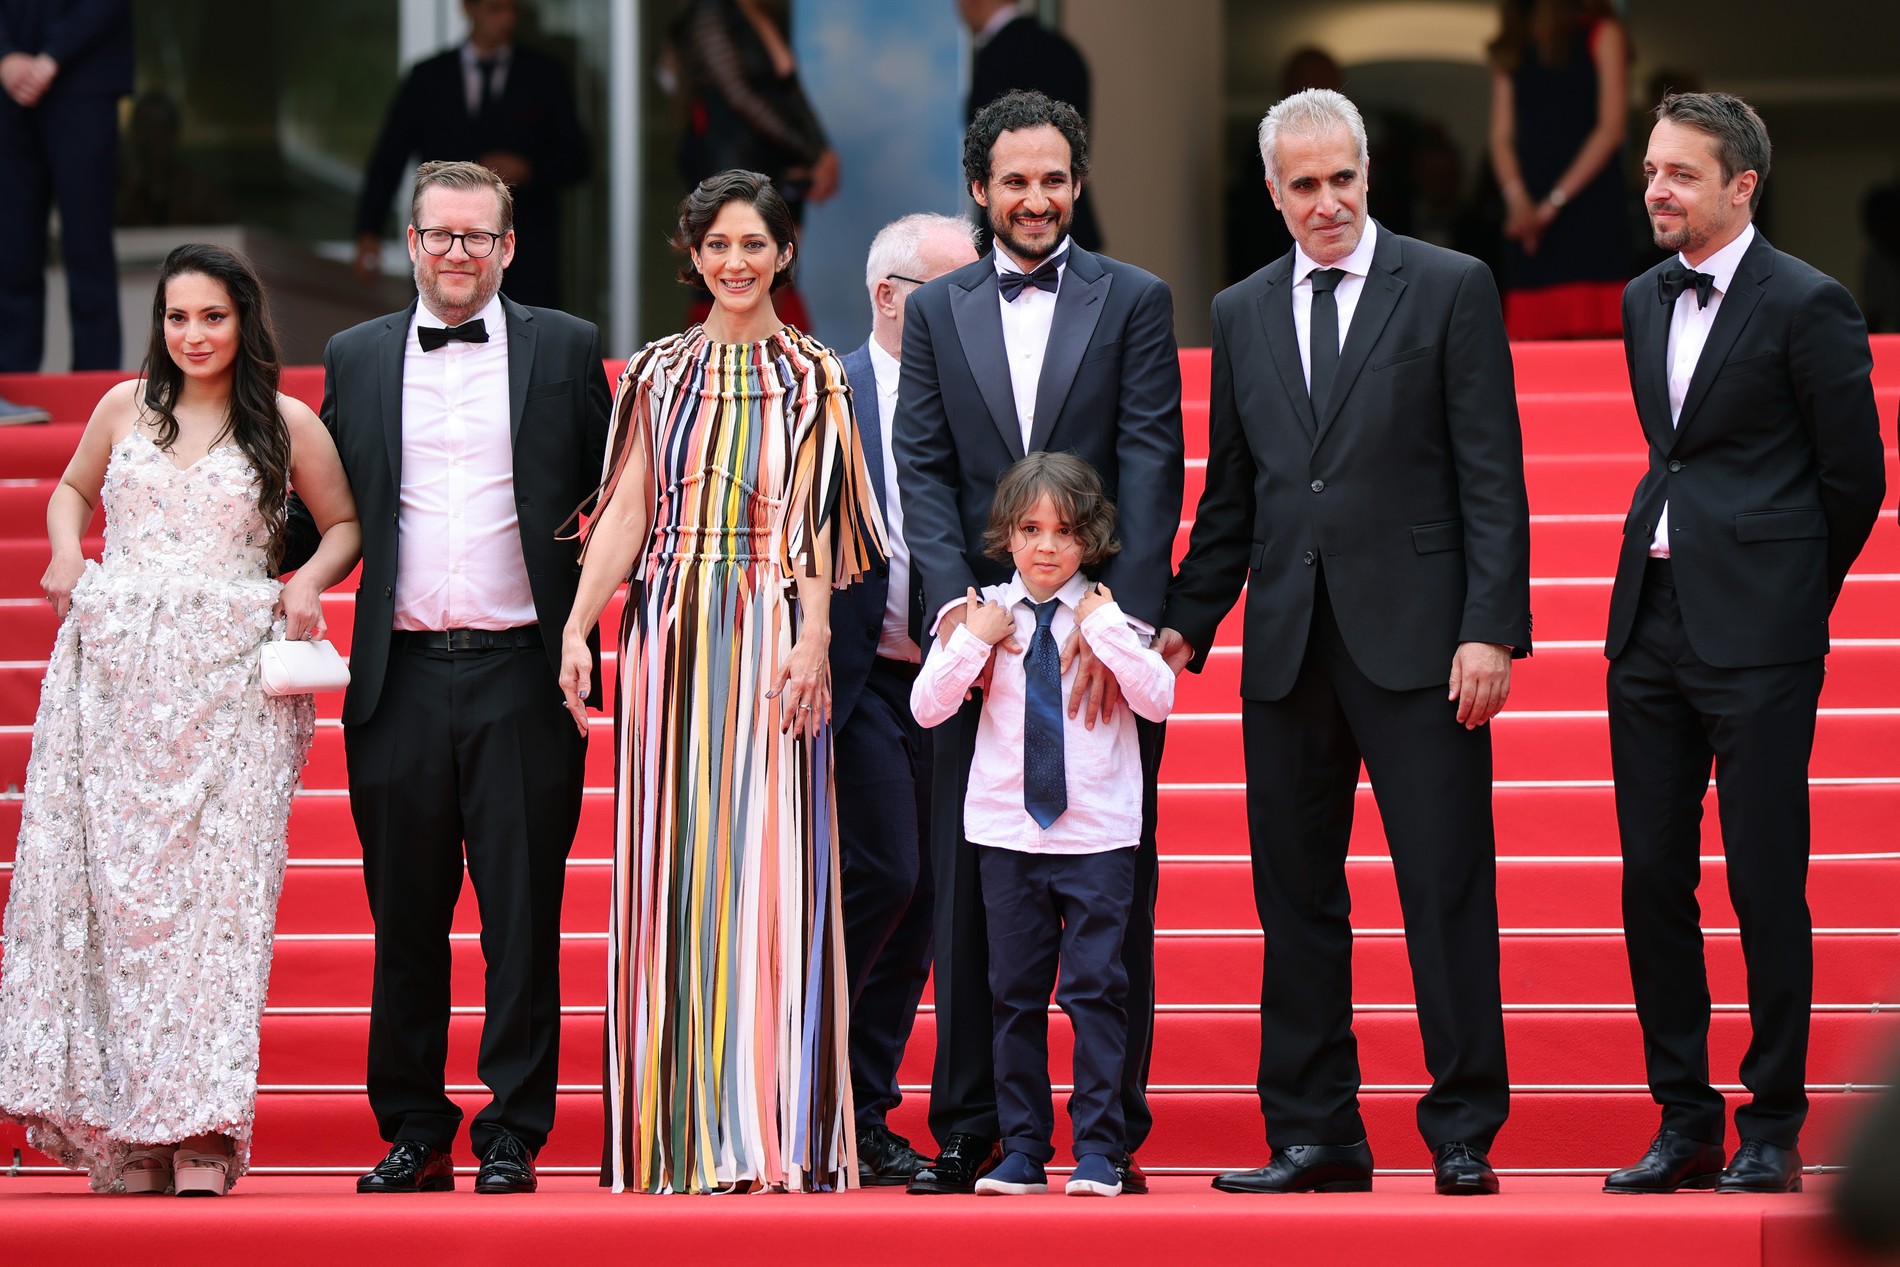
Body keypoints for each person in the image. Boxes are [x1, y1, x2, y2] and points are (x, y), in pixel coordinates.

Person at [1158, 87, 1531, 1197]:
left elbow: (1492, 473)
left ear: (1368, 175)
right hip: (1286, 647)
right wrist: (1182, 622)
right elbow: (1233, 494)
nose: (1327, 203)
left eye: (1342, 179)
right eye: (1304, 185)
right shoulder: (1239, 311)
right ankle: (1315, 1131)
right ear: (1273, 193)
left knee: (1444, 887)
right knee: (1295, 899)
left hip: (1422, 643)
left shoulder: (1450, 284)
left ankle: (1462, 1128)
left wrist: (1489, 627)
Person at [0, 242, 361, 1195]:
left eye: (212, 316)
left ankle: (203, 1124)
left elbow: (344, 524)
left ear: (244, 321)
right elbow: (72, 490)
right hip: (113, 678)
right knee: (119, 910)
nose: (193, 334)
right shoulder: (123, 407)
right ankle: (135, 1129)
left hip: (232, 687)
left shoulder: (286, 422)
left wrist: (307, 583)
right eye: (176, 317)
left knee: (218, 910)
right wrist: (67, 552)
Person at [557, 168, 884, 1195]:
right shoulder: (656, 371)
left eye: (752, 244)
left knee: (772, 867)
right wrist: (579, 624)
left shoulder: (815, 374)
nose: (735, 263)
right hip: (670, 626)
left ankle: (772, 1130)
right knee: (674, 868)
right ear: (692, 256)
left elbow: (820, 522)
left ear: (784, 253)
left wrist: (815, 636)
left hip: (772, 626)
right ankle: (676, 1133)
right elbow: (626, 510)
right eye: (716, 245)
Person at [893, 88, 1183, 1196]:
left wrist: (1120, 624)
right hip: (982, 636)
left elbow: (1151, 460)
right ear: (981, 188)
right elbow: (922, 465)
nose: (1035, 197)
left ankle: (1112, 1135)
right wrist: (956, 615)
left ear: (1078, 183)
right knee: (972, 895)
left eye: (1054, 178)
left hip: (1098, 633)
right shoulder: (936, 310)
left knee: (1116, 902)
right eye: (1014, 180)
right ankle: (975, 1126)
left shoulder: (1136, 298)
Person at [302, 159, 612, 1197]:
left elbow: (618, 496)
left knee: (521, 917)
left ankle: (514, 1128)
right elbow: (325, 509)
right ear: (411, 241)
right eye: (439, 234)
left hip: (523, 671)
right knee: (405, 918)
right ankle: (414, 1127)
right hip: (396, 676)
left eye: (478, 236)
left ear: (508, 247)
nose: (457, 253)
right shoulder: (354, 355)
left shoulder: (565, 347)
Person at [1600, 92, 1885, 1197]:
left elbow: (1852, 478)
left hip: (1759, 633)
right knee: (1650, 878)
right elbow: (1669, 454)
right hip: (1649, 620)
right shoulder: (1641, 297)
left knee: (1765, 878)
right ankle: (1684, 1118)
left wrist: (1786, 595)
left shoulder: (1809, 302)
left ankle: (1771, 1121)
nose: (1657, 189)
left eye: (1680, 172)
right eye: (1652, 170)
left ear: (1742, 185)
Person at [911, 452, 1173, 1200]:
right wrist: (974, 638)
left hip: (1097, 837)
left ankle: (1100, 1149)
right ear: (1007, 534)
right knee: (1013, 995)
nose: (1048, 546)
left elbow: (1158, 699)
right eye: (1030, 529)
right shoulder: (985, 612)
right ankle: (1023, 1148)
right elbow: (927, 708)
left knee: (1096, 991)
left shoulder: (1109, 615)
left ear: (1090, 537)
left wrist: (1107, 630)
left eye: (1064, 531)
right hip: (1009, 836)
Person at [832, 212, 980, 1187]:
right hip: (852, 677)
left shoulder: (978, 394)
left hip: (954, 677)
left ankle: (862, 1106)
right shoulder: (826, 393)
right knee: (885, 870)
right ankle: (811, 1083)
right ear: (889, 296)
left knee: (928, 893)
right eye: (952, 291)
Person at [354, 0, 589, 310]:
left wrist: (528, 169)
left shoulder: (545, 75)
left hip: (527, 251)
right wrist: (368, 231)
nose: (506, 19)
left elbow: (577, 158)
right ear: (468, 9)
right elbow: (389, 159)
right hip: (445, 245)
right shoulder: (428, 77)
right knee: (445, 322)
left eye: (512, 10)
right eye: (495, 9)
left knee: (528, 333)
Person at [0, 0, 131, 371]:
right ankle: (9, 381)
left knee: (89, 245)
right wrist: (5, 56)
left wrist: (53, 55)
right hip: (6, 90)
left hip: (87, 78)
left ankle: (96, 383)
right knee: (10, 246)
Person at [1487, 0, 1630, 339]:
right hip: (1530, 224)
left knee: (1599, 343)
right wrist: (1518, 201)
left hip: (1590, 214)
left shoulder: (1601, 33)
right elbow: (1500, 137)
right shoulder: (1514, 44)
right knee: (1533, 346)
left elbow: (1611, 129)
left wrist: (1552, 203)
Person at [959, 0, 1101, 252]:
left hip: (1012, 232)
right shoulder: (1064, 51)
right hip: (1071, 229)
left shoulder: (997, 56)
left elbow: (984, 150)